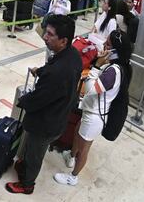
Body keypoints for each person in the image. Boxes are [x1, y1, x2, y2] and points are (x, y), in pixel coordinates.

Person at [6, 15, 82, 194]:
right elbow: (55, 74)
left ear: (63, 40)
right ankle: (24, 168)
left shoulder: (58, 72)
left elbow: (37, 99)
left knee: (35, 154)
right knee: (31, 149)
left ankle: (27, 184)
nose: (45, 37)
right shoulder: (72, 55)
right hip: (59, 116)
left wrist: (22, 101)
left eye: (50, 34)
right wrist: (40, 72)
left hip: (46, 123)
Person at [54, 30, 132, 186]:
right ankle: (71, 156)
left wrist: (96, 66)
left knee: (84, 149)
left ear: (115, 49)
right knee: (77, 132)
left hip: (95, 116)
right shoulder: (114, 66)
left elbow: (90, 89)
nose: (104, 44)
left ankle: (73, 177)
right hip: (89, 111)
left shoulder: (113, 71)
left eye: (108, 43)